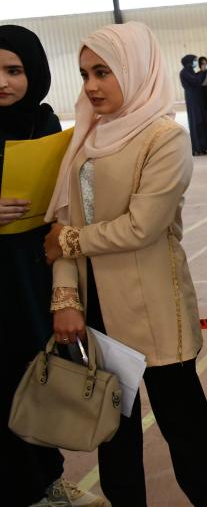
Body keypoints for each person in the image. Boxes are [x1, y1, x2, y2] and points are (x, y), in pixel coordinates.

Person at [43, 22, 207, 507]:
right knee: (114, 434)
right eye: (85, 73)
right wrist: (66, 298)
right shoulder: (84, 137)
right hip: (97, 313)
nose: (91, 86)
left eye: (103, 72)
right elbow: (61, 225)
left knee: (183, 424)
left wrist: (71, 241)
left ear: (135, 69)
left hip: (154, 309)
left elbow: (141, 226)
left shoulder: (164, 138)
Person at [0, 26, 107, 507]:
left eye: (14, 70)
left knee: (37, 374)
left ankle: (48, 478)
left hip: (32, 270)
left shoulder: (45, 126)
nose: (2, 82)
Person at [180, 54, 207, 156]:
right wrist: (203, 72)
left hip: (197, 99)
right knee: (197, 122)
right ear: (189, 62)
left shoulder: (191, 72)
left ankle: (203, 147)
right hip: (193, 100)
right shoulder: (185, 72)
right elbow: (196, 81)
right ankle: (198, 148)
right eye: (194, 60)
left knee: (202, 122)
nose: (195, 63)